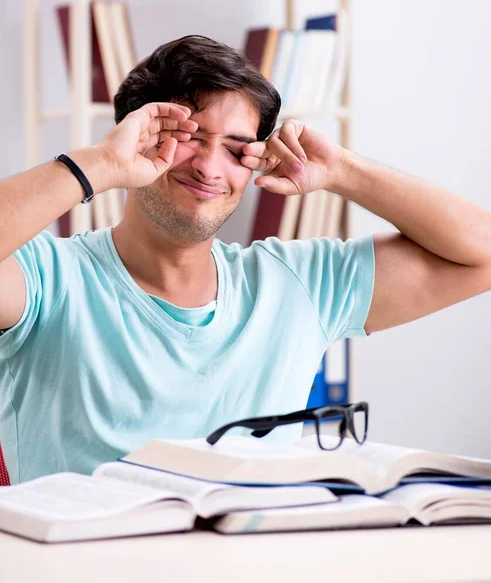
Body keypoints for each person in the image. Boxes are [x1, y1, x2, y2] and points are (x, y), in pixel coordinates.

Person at [1, 36, 490, 485]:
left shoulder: (301, 284)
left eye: (237, 151)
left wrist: (344, 171)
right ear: (137, 136)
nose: (211, 168)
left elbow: (481, 254)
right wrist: (101, 163)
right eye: (189, 138)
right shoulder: (46, 277)